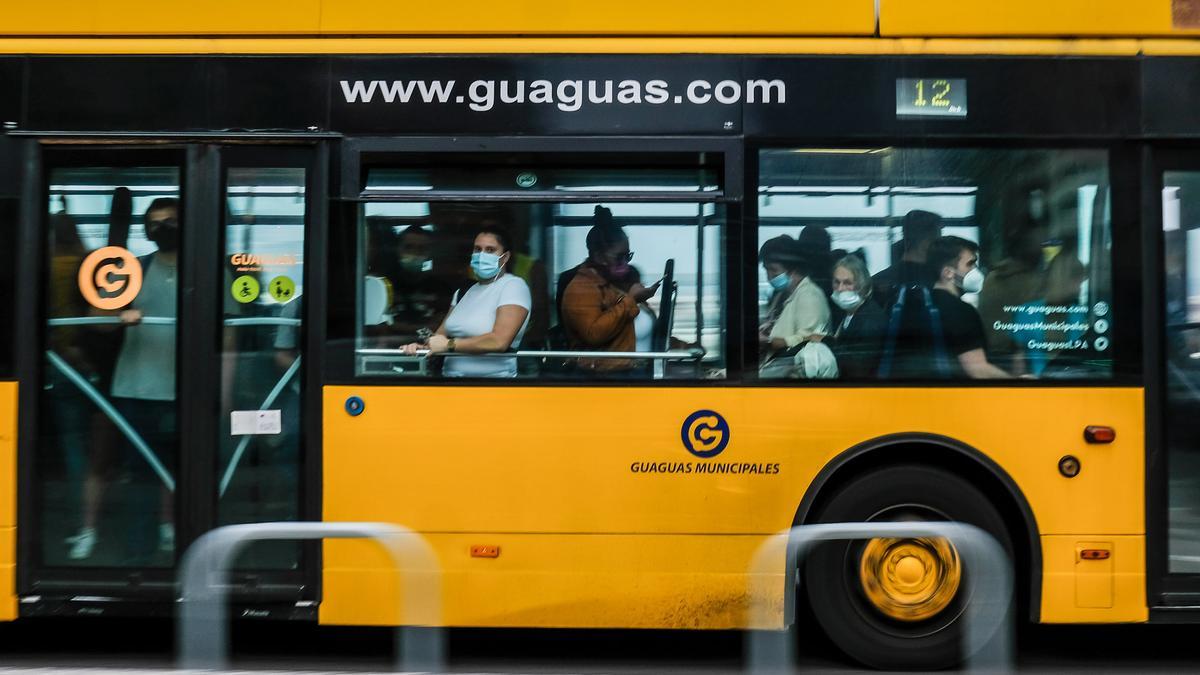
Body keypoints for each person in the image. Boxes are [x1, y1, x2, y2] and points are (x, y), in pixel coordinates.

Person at [102, 197, 181, 562]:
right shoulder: (132, 269)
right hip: (136, 388)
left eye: (170, 220)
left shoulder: (206, 267)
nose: (161, 227)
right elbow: (96, 313)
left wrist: (222, 391)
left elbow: (226, 336)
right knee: (139, 474)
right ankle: (138, 552)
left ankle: (182, 537)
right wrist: (119, 313)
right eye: (154, 222)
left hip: (186, 388)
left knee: (183, 468)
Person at [401, 227, 531, 378]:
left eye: (490, 250)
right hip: (450, 384)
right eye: (477, 249)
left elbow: (498, 341)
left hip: (494, 387)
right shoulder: (463, 292)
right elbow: (439, 339)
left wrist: (449, 345)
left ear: (505, 257)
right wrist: (420, 348)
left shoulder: (513, 286)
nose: (482, 255)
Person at [561, 213, 660, 374]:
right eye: (619, 257)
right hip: (604, 376)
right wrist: (631, 300)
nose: (625, 264)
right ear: (598, 256)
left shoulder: (619, 284)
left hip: (635, 372)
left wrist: (682, 347)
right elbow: (593, 334)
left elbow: (642, 335)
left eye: (628, 256)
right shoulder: (581, 288)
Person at [927, 236, 1011, 379]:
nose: (975, 270)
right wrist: (1017, 382)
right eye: (970, 264)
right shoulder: (961, 311)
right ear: (948, 273)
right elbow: (978, 370)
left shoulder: (925, 303)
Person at [759, 235, 830, 375]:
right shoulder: (782, 295)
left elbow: (809, 340)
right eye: (766, 270)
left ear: (793, 269)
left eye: (774, 270)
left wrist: (768, 342)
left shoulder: (809, 296)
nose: (769, 277)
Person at [824, 254, 886, 379]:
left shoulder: (871, 320)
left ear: (862, 285)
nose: (840, 288)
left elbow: (857, 368)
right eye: (837, 282)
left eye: (847, 283)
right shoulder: (847, 312)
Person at [872, 210, 943, 308]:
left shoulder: (877, 282)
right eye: (937, 242)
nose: (940, 248)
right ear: (926, 245)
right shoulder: (939, 283)